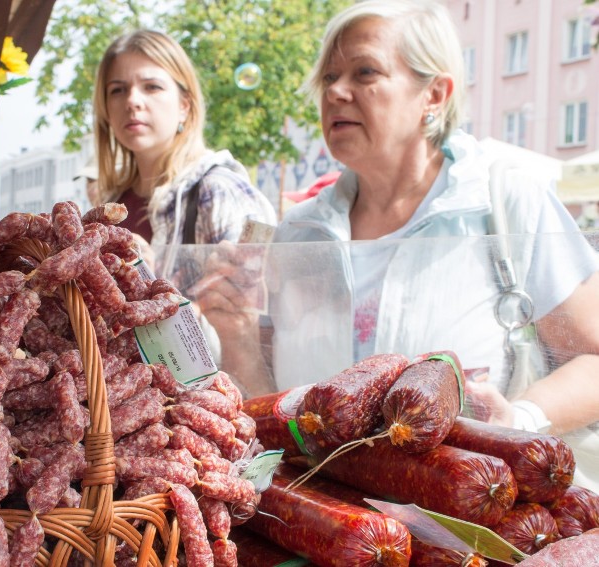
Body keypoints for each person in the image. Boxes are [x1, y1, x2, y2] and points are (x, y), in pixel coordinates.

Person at [194, 0, 599, 488]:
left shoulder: (503, 201)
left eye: (364, 71)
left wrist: (523, 416)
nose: (336, 92)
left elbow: (591, 358)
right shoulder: (299, 233)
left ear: (435, 94)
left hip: (467, 529)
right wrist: (236, 334)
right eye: (327, 77)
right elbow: (280, 421)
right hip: (334, 534)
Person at [91, 29, 276, 280]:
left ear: (184, 106)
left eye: (152, 87)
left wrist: (150, 281)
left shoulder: (219, 190)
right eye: (117, 90)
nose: (132, 100)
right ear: (106, 110)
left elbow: (249, 313)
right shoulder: (111, 206)